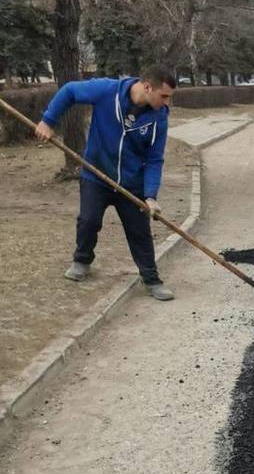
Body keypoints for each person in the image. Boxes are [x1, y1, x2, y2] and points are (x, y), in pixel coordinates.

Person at [35, 66, 177, 300]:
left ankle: (151, 279)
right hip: (96, 175)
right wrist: (48, 121)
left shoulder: (159, 119)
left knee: (139, 231)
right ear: (147, 87)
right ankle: (82, 261)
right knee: (88, 221)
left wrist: (150, 195)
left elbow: (155, 159)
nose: (166, 102)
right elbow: (70, 90)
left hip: (132, 184)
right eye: (164, 96)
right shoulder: (107, 91)